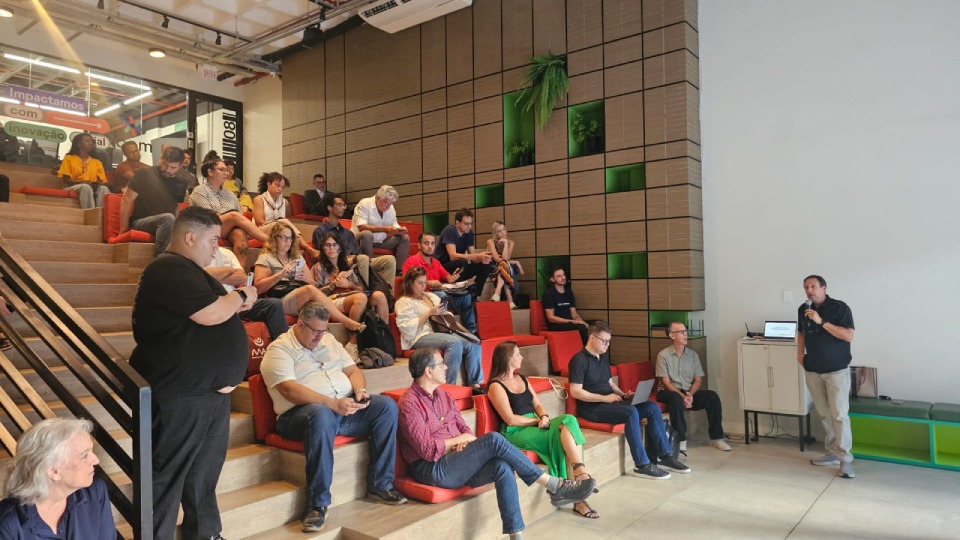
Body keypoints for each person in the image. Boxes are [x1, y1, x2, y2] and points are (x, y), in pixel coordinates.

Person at [129, 206, 255, 539]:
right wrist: (242, 295)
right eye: (213, 239)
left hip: (208, 394)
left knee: (202, 476)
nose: (217, 247)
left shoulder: (189, 271)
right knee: (167, 476)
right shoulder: (167, 267)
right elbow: (210, 314)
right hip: (182, 394)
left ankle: (206, 534)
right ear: (189, 237)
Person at [397, 348, 596, 540]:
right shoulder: (409, 403)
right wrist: (458, 440)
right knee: (493, 439)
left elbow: (465, 429)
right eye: (442, 364)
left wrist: (464, 441)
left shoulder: (444, 396)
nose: (447, 367)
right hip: (434, 469)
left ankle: (516, 534)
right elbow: (427, 449)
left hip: (457, 461)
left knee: (502, 466)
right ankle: (553, 484)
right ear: (428, 371)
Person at [260, 302, 407, 533]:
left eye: (324, 331)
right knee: (321, 415)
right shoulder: (279, 350)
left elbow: (353, 371)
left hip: (339, 409)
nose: (320, 336)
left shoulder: (329, 340)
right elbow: (289, 390)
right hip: (298, 416)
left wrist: (360, 392)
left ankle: (381, 483)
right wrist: (331, 403)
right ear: (299, 323)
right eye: (315, 331)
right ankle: (317, 504)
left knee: (386, 406)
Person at [487, 341, 598, 519]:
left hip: (534, 422)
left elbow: (537, 404)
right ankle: (579, 489)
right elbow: (510, 418)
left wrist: (544, 416)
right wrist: (536, 421)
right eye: (517, 354)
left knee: (568, 422)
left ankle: (578, 478)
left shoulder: (522, 378)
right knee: (562, 433)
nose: (521, 357)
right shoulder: (495, 386)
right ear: (507, 358)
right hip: (514, 431)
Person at [569, 321, 690, 479]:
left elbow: (609, 383)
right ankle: (641, 464)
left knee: (651, 407)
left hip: (610, 402)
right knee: (630, 412)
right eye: (604, 341)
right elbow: (576, 392)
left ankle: (665, 455)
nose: (607, 344)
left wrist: (624, 395)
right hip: (592, 408)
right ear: (592, 338)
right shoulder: (578, 360)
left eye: (609, 341)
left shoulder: (603, 358)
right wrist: (605, 398)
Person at [0, 419, 114, 539]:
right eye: (85, 455)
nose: (96, 460)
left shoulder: (95, 492)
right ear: (53, 471)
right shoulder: (8, 522)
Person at [252, 221, 364, 332]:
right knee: (309, 290)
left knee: (312, 294)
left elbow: (313, 283)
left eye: (290, 238)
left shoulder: (297, 257)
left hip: (299, 293)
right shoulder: (266, 257)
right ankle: (346, 321)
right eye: (284, 238)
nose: (288, 242)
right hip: (280, 298)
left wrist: (304, 278)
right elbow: (259, 287)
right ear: (274, 238)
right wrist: (280, 275)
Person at [798, 274, 856, 479]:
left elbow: (848, 335)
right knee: (824, 414)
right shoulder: (802, 308)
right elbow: (802, 333)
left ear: (824, 288)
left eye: (813, 286)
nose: (809, 290)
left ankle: (845, 460)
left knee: (839, 415)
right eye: (806, 287)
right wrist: (800, 355)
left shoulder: (839, 308)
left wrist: (821, 321)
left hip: (836, 370)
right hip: (813, 369)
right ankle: (831, 452)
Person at [395, 267, 484, 394]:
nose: (423, 286)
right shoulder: (404, 302)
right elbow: (407, 329)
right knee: (454, 342)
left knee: (473, 340)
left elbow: (443, 314)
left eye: (425, 283)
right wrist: (429, 313)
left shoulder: (431, 296)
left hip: (439, 332)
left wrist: (446, 315)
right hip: (418, 336)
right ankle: (448, 387)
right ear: (410, 283)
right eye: (420, 283)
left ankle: (475, 383)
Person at [313, 232, 389, 361]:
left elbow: (360, 288)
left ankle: (385, 339)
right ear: (323, 249)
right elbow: (316, 294)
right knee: (360, 298)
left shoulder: (346, 267)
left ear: (339, 248)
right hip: (332, 300)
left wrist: (349, 284)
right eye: (327, 245)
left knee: (379, 296)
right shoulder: (318, 268)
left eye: (334, 245)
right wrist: (334, 283)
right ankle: (352, 343)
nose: (331, 248)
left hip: (351, 295)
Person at [656, 321, 731, 452]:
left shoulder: (693, 355)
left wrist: (690, 394)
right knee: (675, 398)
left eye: (685, 331)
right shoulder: (663, 355)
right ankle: (681, 440)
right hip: (668, 392)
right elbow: (666, 382)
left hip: (688, 391)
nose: (685, 335)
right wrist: (682, 396)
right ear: (672, 335)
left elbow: (698, 380)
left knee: (712, 397)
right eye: (681, 332)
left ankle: (716, 438)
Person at [190, 156, 269, 265]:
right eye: (222, 170)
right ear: (210, 172)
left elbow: (240, 217)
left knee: (241, 238)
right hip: (206, 227)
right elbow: (209, 218)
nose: (226, 173)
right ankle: (269, 240)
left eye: (226, 170)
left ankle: (241, 276)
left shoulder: (230, 194)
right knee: (234, 216)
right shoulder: (199, 191)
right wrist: (230, 217)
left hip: (227, 228)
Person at [312, 192, 396, 290]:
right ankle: (365, 294)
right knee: (362, 258)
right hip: (338, 261)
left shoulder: (348, 233)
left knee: (389, 260)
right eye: (339, 204)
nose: (343, 207)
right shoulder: (321, 231)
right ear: (329, 208)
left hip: (357, 260)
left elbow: (358, 253)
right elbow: (324, 255)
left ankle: (388, 297)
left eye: (344, 205)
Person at [206, 246, 288, 340]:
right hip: (217, 303)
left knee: (274, 304)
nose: (214, 241)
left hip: (238, 299)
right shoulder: (196, 254)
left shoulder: (226, 253)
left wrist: (215, 276)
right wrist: (229, 270)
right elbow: (204, 276)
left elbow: (242, 277)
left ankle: (283, 348)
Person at [119, 146, 189, 255]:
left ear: (180, 166)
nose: (167, 170)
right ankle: (161, 260)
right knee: (168, 218)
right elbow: (126, 200)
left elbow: (177, 208)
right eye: (165, 164)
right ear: (160, 159)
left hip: (168, 222)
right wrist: (123, 230)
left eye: (173, 167)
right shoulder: (144, 173)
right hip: (141, 221)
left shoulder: (182, 181)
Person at [402, 231, 477, 334]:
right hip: (424, 297)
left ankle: (472, 330)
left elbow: (448, 278)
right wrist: (428, 283)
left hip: (442, 295)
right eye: (426, 243)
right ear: (419, 245)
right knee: (441, 295)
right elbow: (406, 280)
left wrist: (453, 277)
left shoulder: (436, 262)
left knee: (466, 297)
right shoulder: (411, 261)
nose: (430, 247)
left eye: (432, 244)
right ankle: (445, 330)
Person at [252, 171, 318, 259]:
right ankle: (308, 249)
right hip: (260, 230)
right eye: (277, 185)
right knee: (283, 223)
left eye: (282, 187)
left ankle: (298, 254)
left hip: (278, 230)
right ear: (268, 184)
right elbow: (259, 222)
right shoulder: (259, 199)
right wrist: (278, 225)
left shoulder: (285, 202)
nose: (280, 189)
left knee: (285, 227)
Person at [352, 185, 410, 269]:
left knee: (404, 237)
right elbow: (361, 227)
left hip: (381, 241)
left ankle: (399, 270)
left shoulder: (390, 208)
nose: (388, 207)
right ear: (378, 198)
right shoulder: (364, 203)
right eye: (386, 203)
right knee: (366, 234)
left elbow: (394, 224)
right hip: (361, 240)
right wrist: (384, 229)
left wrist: (400, 230)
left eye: (391, 204)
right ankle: (369, 268)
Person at [437, 208, 492, 290]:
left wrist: (482, 258)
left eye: (470, 223)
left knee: (486, 265)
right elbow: (453, 256)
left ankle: (475, 294)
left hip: (459, 267)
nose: (469, 226)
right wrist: (476, 256)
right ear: (457, 223)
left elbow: (473, 258)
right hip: (443, 267)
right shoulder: (449, 230)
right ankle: (458, 292)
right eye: (466, 224)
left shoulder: (469, 233)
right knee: (462, 262)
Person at [57, 133, 109, 209]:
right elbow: (66, 180)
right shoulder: (69, 158)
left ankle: (101, 214)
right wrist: (85, 182)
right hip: (72, 186)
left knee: (104, 189)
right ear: (79, 144)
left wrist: (97, 184)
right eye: (87, 141)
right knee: (86, 187)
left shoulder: (97, 162)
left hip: (91, 186)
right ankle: (90, 213)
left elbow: (103, 182)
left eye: (91, 141)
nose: (90, 143)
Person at [542, 267, 589, 345]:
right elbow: (551, 318)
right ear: (553, 279)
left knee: (597, 324)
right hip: (556, 325)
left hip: (570, 323)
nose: (563, 278)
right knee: (581, 328)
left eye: (563, 275)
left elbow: (573, 313)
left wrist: (580, 320)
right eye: (559, 276)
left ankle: (599, 354)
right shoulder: (549, 294)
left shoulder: (568, 292)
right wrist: (572, 321)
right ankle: (589, 354)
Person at [486, 221, 524, 309]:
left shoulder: (511, 243)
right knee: (504, 265)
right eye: (499, 231)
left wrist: (506, 244)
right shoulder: (490, 242)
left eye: (504, 229)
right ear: (496, 233)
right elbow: (497, 259)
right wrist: (515, 262)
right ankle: (510, 300)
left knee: (504, 266)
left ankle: (497, 293)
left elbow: (506, 258)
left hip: (504, 267)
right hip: (492, 267)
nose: (503, 233)